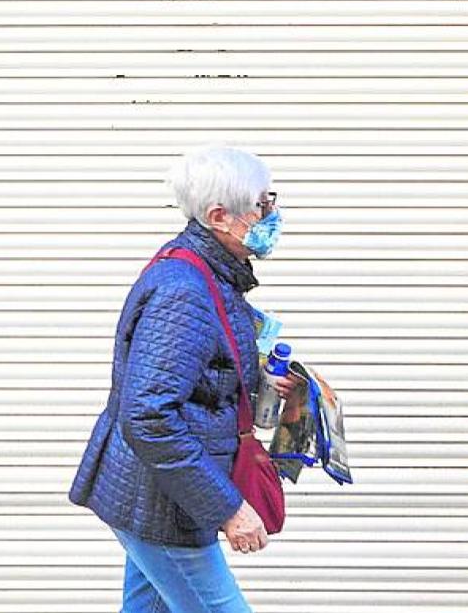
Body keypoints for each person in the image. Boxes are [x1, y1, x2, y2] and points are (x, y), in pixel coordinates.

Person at [68, 145, 301, 613]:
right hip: (162, 504)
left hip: (155, 497)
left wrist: (255, 377)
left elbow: (192, 367)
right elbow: (150, 416)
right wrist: (229, 509)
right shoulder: (185, 290)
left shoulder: (209, 272)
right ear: (220, 216)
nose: (271, 214)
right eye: (262, 205)